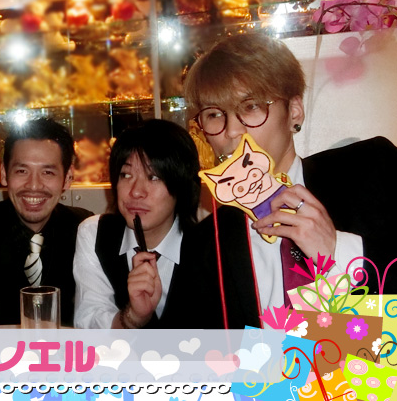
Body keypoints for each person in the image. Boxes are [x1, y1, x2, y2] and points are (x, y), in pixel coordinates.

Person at [185, 33, 397, 328]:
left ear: (294, 111)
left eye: (250, 106)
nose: (231, 130)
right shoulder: (206, 244)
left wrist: (338, 251)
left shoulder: (371, 170)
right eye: (213, 114)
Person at [0, 119, 92, 328]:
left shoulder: (85, 230)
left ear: (68, 178)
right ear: (3, 174)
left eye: (48, 172)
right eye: (22, 171)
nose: (34, 185)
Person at [73, 119, 203, 329]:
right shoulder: (96, 233)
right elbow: (90, 324)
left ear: (182, 185)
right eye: (126, 175)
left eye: (154, 177)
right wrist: (133, 317)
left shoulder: (209, 243)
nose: (135, 192)